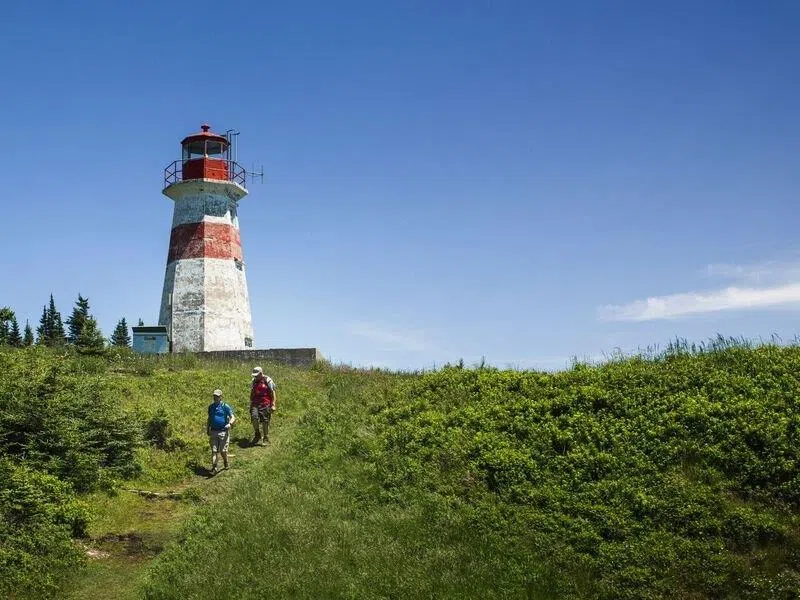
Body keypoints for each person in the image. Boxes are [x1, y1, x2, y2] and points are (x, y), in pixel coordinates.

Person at [206, 389, 235, 474]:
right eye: (214, 396)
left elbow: (232, 417)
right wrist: (208, 429)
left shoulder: (225, 406)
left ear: (221, 397)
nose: (215, 397)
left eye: (217, 396)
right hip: (213, 431)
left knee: (223, 451)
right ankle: (215, 467)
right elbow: (209, 419)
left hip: (223, 431)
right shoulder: (210, 407)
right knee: (214, 450)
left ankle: (225, 461)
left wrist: (230, 423)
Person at [250, 366, 277, 446]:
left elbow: (273, 393)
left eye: (257, 375)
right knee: (254, 417)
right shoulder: (253, 381)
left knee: (265, 421)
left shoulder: (268, 380)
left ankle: (265, 437)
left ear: (261, 373)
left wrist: (273, 404)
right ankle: (257, 434)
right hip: (255, 403)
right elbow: (252, 392)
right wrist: (251, 402)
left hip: (265, 403)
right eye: (254, 375)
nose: (255, 377)